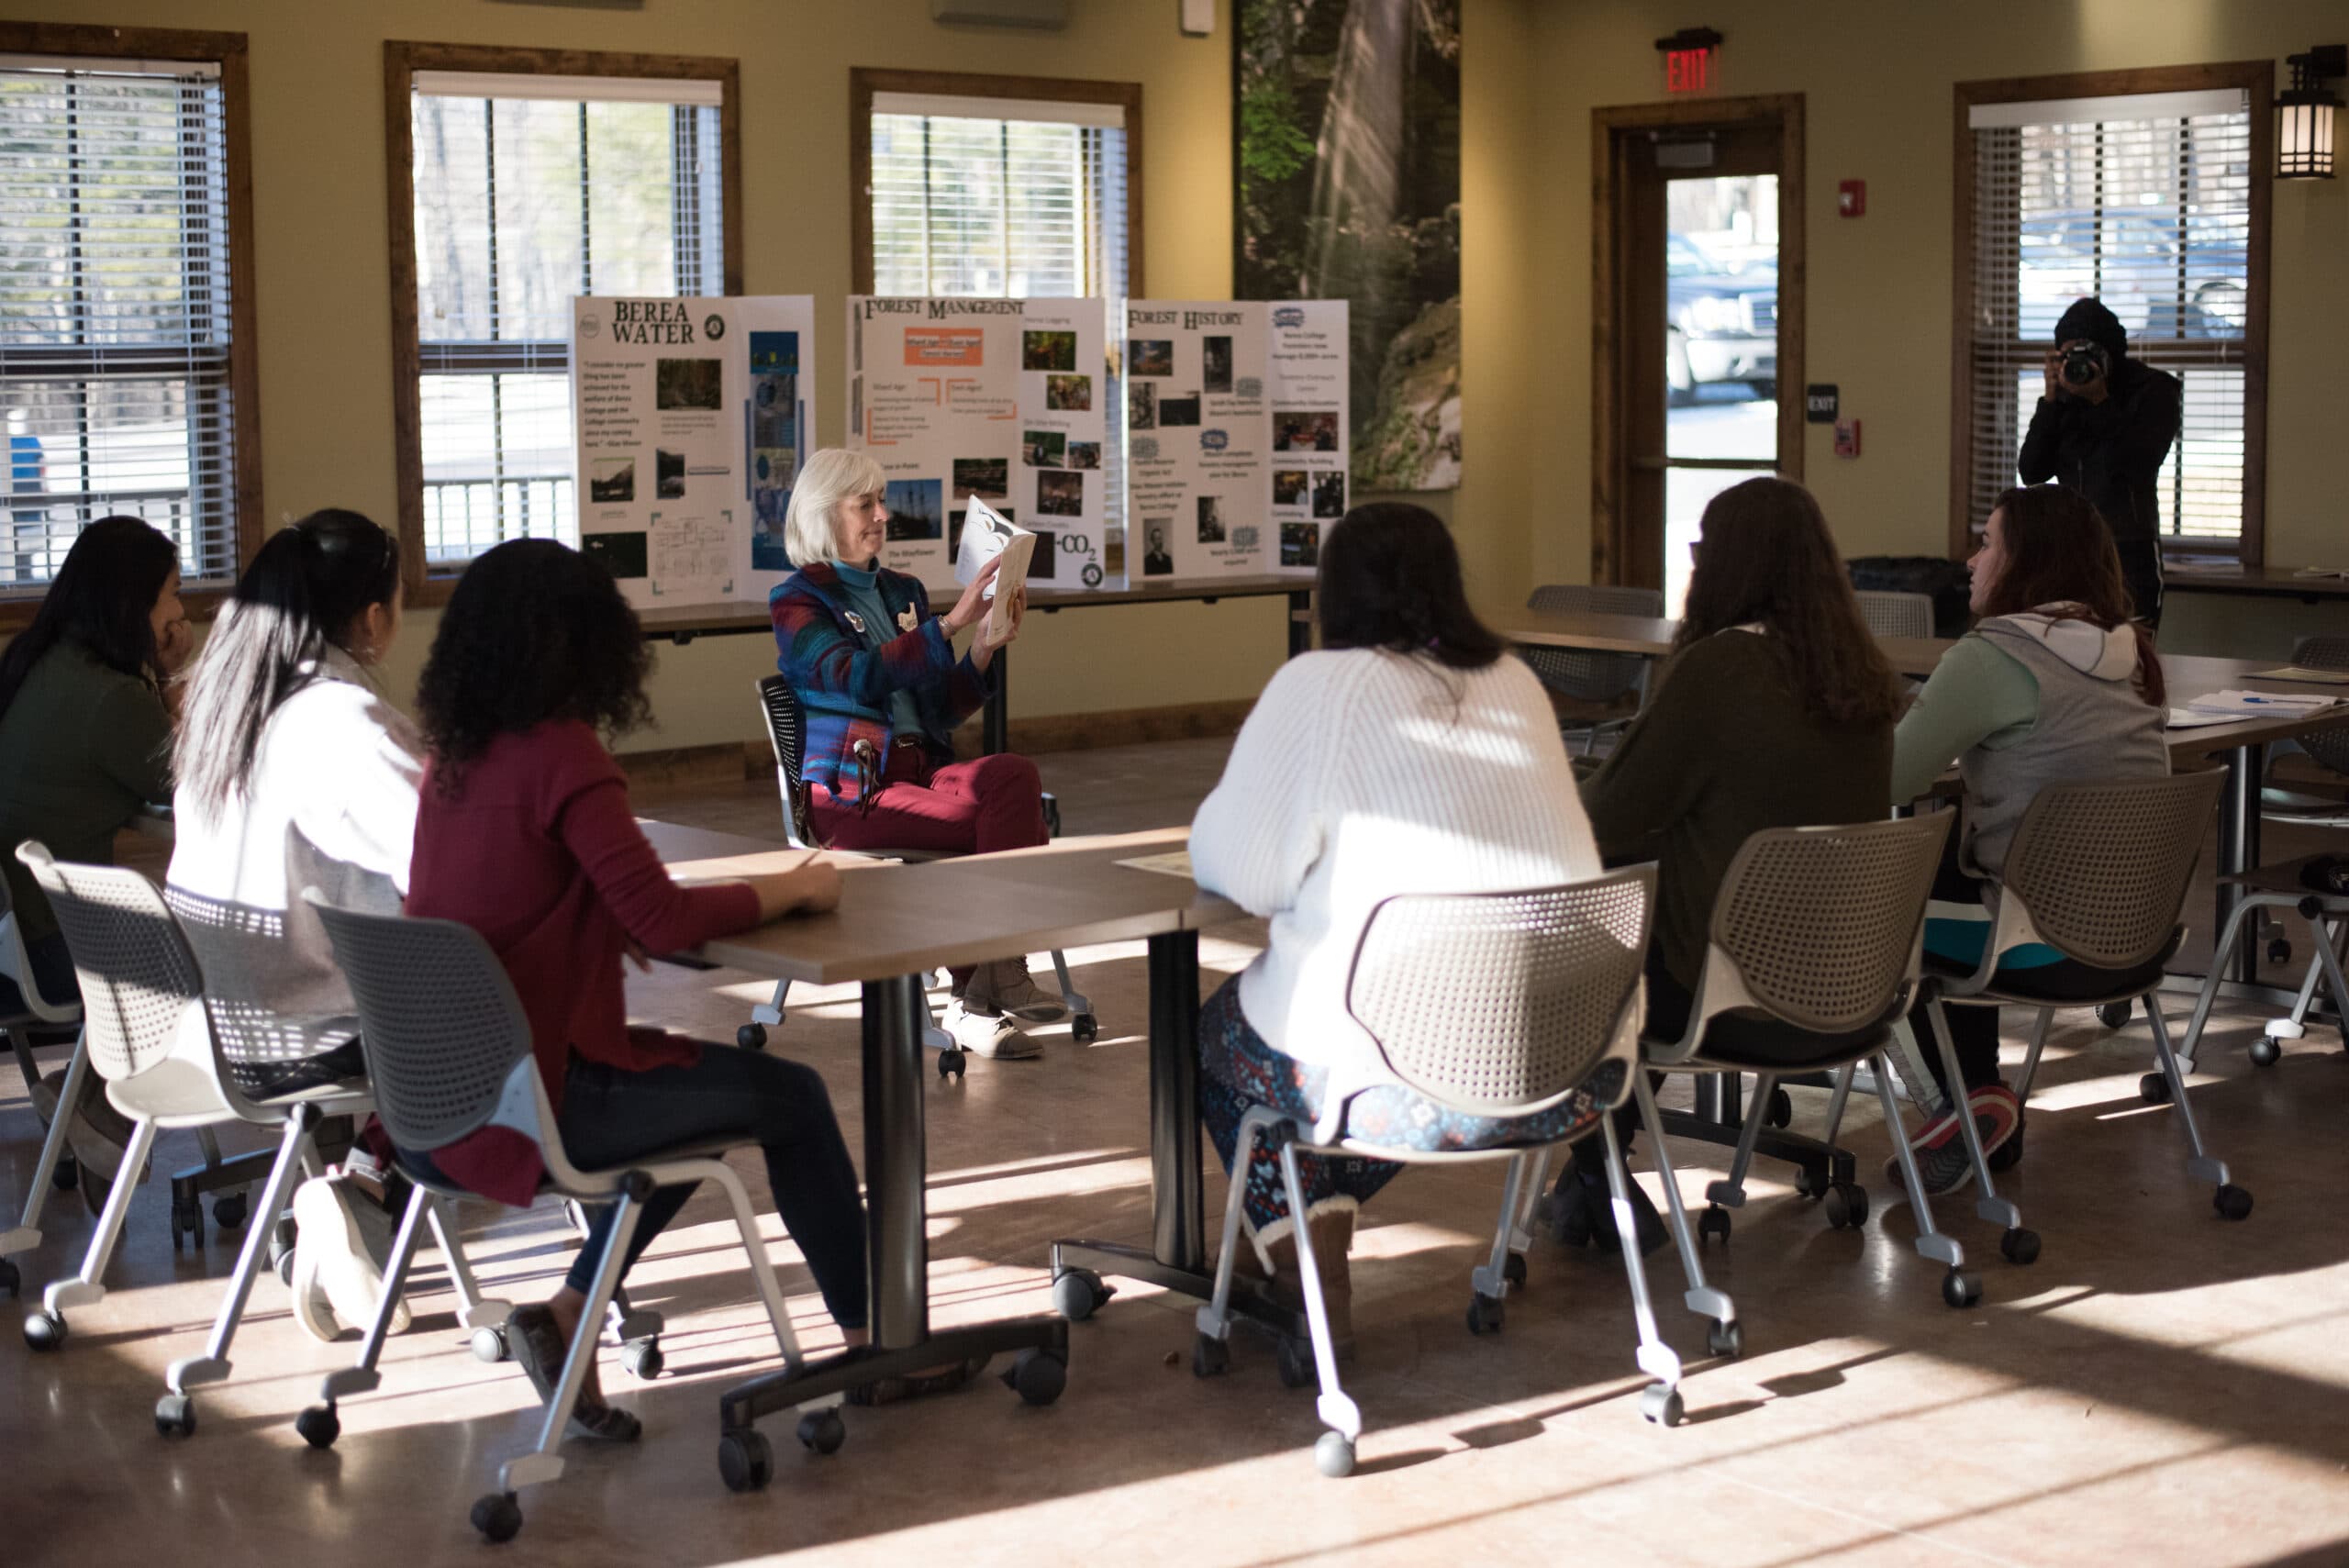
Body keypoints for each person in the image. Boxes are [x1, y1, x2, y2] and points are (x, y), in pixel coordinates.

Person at [403, 539, 898, 1439]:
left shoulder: (453, 760)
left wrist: (605, 919)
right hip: (544, 1094)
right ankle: (874, 1343)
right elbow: (663, 920)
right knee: (789, 1095)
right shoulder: (564, 753)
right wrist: (794, 885)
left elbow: (540, 898)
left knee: (685, 1110)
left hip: (443, 1094)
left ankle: (568, 1313)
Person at [1188, 503, 1606, 1354]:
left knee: (1220, 1040)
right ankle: (1299, 1228)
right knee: (1404, 1050)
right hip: (1559, 1066)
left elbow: (1251, 870)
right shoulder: (1517, 682)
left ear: (1331, 595)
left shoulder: (1320, 687)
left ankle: (1301, 1249)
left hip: (1403, 1073)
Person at [1571, 478, 1903, 1249]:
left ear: (1727, 566)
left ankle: (1596, 1166)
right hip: (1849, 987)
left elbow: (1611, 815)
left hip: (1731, 994)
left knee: (1596, 952)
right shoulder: (1865, 681)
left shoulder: (1718, 672)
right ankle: (1589, 1179)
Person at [165, 507, 419, 1342]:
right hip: (303, 1030)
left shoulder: (225, 705)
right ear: (374, 618)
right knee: (512, 1009)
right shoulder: (338, 722)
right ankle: (362, 1186)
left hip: (214, 1023)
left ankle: (354, 1193)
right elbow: (447, 860)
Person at [1888, 483, 2167, 1191]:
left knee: (1874, 914)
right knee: (1948, 858)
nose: (1970, 560)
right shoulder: (2131, 647)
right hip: (2133, 932)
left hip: (2036, 936)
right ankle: (1980, 1099)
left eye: (1987, 542)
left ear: (2026, 562)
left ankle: (1960, 1104)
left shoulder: (1993, 655)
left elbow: (1886, 780)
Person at [771, 447, 1062, 1062]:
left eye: (882, 501)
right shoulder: (795, 602)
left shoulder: (900, 589)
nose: (882, 515)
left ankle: (981, 989)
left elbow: (938, 711)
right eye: (865, 504)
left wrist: (981, 646)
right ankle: (982, 988)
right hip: (850, 790)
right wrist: (952, 624)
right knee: (979, 822)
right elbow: (854, 676)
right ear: (825, 515)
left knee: (1012, 777)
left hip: (918, 769)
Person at [0, 515, 191, 1208]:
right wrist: (171, 676)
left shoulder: (39, 660)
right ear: (130, 604)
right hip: (58, 947)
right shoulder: (112, 698)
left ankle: (86, 1108)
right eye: (171, 593)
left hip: (15, 935)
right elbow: (198, 782)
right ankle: (96, 1112)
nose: (180, 609)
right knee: (201, 955)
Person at [2018, 297, 2182, 628]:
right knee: (2070, 656)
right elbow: (2033, 472)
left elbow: (2139, 461)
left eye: (2087, 350)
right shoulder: (2064, 396)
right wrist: (2050, 400)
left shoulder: (2153, 389)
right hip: (2069, 549)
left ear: (2109, 351)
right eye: (2069, 353)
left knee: (2132, 656)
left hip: (2129, 550)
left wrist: (2099, 400)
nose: (2079, 362)